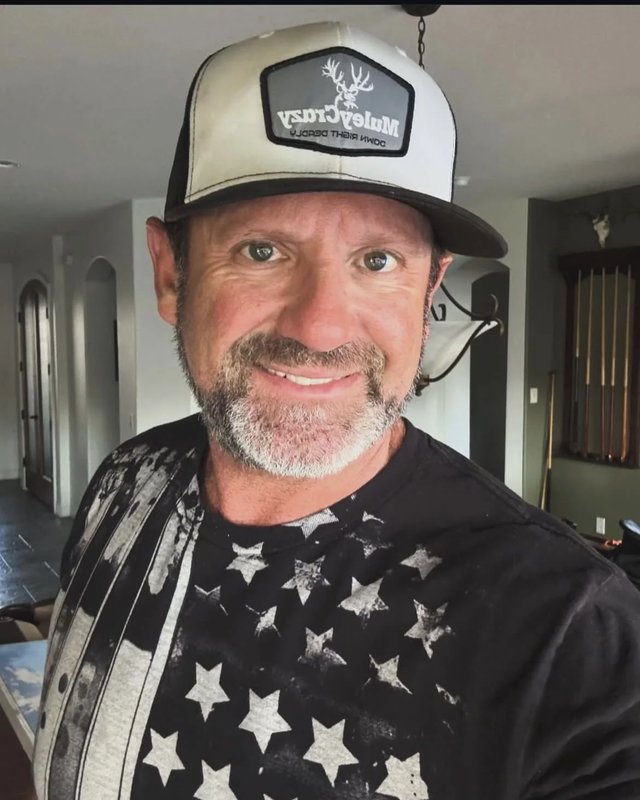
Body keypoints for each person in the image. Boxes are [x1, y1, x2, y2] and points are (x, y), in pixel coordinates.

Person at [32, 20, 640, 800]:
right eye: (262, 250)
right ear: (170, 275)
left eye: (377, 260)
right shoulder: (126, 481)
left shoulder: (565, 631)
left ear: (429, 288)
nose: (319, 327)